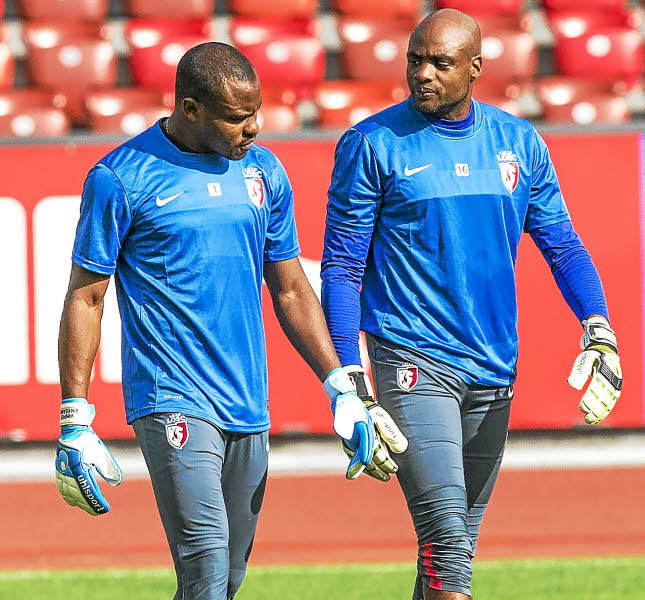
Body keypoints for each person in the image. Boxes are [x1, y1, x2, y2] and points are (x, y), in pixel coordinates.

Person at [54, 42, 406, 600]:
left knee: (226, 579)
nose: (255, 129)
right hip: (171, 397)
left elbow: (291, 289)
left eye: (257, 112)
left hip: (247, 401)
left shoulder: (265, 172)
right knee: (207, 563)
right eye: (238, 118)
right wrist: (75, 417)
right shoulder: (120, 178)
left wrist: (342, 387)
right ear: (191, 109)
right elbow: (86, 298)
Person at [321, 9, 623, 600]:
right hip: (411, 360)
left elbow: (562, 244)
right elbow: (341, 267)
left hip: (493, 367)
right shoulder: (370, 144)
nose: (423, 74)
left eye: (440, 63)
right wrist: (348, 379)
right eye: (415, 60)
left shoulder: (519, 141)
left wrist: (598, 327)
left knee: (450, 550)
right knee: (448, 549)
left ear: (476, 69)